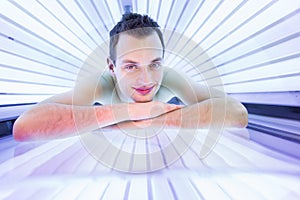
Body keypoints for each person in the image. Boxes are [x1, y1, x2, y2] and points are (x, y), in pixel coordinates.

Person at [13, 13, 248, 141]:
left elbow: (237, 112)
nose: (146, 79)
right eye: (131, 67)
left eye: (154, 64)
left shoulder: (169, 78)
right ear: (112, 67)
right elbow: (25, 126)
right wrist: (127, 112)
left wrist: (156, 118)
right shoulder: (100, 84)